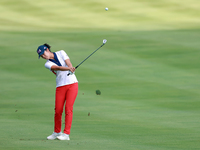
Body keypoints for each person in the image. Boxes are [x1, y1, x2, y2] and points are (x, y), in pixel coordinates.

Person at [36, 43, 78, 140]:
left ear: (47, 49)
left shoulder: (61, 52)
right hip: (60, 86)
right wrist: (69, 69)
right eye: (41, 56)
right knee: (58, 110)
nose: (43, 56)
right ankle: (57, 132)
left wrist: (71, 67)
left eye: (43, 53)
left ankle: (66, 134)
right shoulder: (47, 64)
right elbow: (58, 68)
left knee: (68, 109)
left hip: (72, 84)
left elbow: (68, 61)